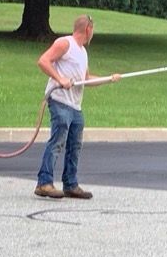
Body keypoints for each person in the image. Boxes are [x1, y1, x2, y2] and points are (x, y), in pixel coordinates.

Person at [34, 14, 120, 200]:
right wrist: (60, 79)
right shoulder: (65, 43)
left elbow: (86, 79)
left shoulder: (82, 52)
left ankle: (70, 184)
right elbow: (43, 61)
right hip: (59, 100)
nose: (93, 34)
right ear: (88, 29)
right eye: (93, 30)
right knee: (58, 141)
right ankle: (44, 182)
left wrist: (108, 79)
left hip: (75, 105)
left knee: (75, 145)